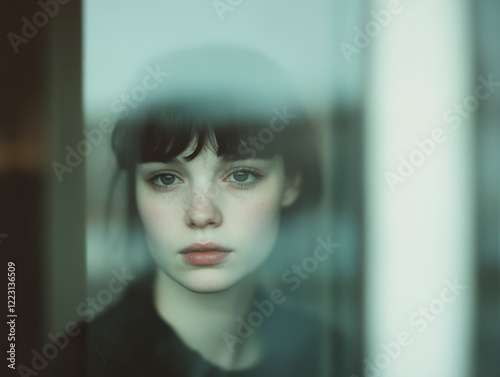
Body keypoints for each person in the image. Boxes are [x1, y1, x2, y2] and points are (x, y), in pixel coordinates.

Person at [48, 46, 339, 377]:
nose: (201, 215)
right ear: (136, 191)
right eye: (166, 178)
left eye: (241, 175)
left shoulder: (331, 354)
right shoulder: (77, 367)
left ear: (291, 184)